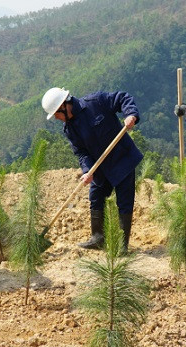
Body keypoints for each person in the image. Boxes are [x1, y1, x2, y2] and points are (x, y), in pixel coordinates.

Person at [42, 87, 142, 251]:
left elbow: (123, 97)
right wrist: (87, 170)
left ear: (64, 106)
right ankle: (98, 238)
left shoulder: (96, 102)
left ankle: (122, 245)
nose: (57, 118)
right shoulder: (69, 129)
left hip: (122, 159)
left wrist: (131, 114)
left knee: (124, 202)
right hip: (100, 167)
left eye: (57, 114)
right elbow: (81, 152)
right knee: (95, 196)